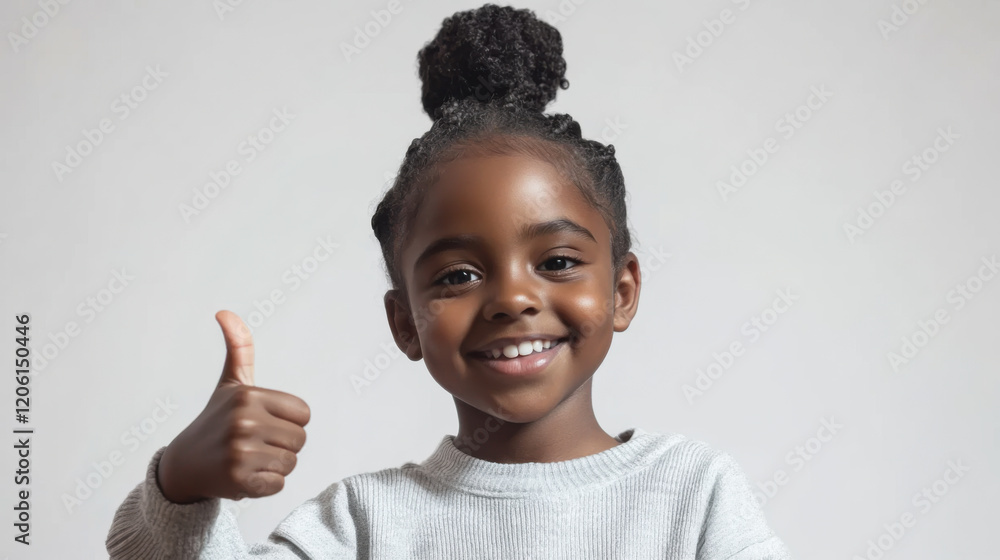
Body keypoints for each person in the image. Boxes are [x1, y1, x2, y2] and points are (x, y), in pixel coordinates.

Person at [106, 4, 793, 558]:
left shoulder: (692, 495)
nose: (514, 298)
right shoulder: (363, 525)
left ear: (621, 291)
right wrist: (183, 486)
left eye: (556, 261)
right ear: (405, 321)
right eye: (459, 274)